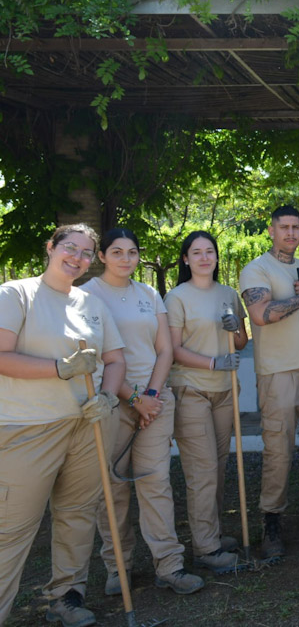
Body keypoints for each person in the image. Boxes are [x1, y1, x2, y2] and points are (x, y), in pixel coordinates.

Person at [0, 224, 125, 627]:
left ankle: (66, 597)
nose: (77, 257)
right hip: (27, 427)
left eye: (87, 253)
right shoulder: (16, 294)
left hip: (85, 426)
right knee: (12, 528)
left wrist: (107, 395)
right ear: (51, 247)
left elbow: (116, 359)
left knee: (77, 513)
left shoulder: (92, 303)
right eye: (70, 248)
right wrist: (60, 368)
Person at [85, 228, 203, 595]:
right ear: (102, 256)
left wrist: (151, 395)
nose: (125, 259)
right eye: (116, 252)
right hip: (111, 402)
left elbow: (165, 350)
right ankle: (117, 567)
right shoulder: (86, 295)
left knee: (156, 483)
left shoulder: (149, 294)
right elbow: (96, 359)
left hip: (154, 400)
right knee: (114, 488)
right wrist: (134, 399)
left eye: (132, 252)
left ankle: (169, 564)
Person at [240, 205, 299, 557]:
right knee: (278, 447)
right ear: (271, 230)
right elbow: (262, 315)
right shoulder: (256, 269)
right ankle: (272, 516)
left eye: (297, 227)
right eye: (284, 227)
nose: (291, 233)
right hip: (279, 371)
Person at [165, 231, 249, 571]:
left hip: (225, 390)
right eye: (196, 252)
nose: (204, 258)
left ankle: (210, 533)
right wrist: (214, 362)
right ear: (186, 259)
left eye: (209, 251)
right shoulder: (176, 297)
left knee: (219, 464)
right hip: (192, 390)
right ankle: (205, 548)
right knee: (201, 470)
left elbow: (241, 341)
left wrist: (235, 328)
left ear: (216, 257)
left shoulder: (228, 294)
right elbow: (173, 349)